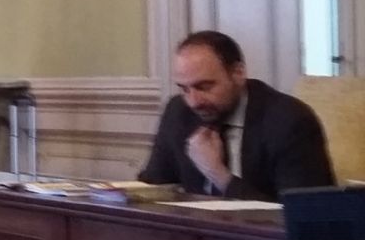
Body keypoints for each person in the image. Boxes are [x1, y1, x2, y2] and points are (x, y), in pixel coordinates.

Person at [139, 31, 335, 200]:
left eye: (204, 87)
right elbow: (153, 187)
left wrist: (218, 174)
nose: (194, 101)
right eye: (185, 89)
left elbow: (301, 215)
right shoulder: (178, 111)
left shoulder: (289, 121)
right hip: (194, 231)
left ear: (238, 73)